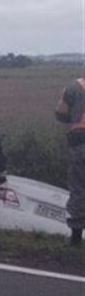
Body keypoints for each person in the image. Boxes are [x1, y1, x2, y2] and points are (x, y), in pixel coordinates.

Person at [55, 77, 85, 247]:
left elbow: (60, 113)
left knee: (79, 188)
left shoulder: (74, 87)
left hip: (79, 142)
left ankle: (76, 238)